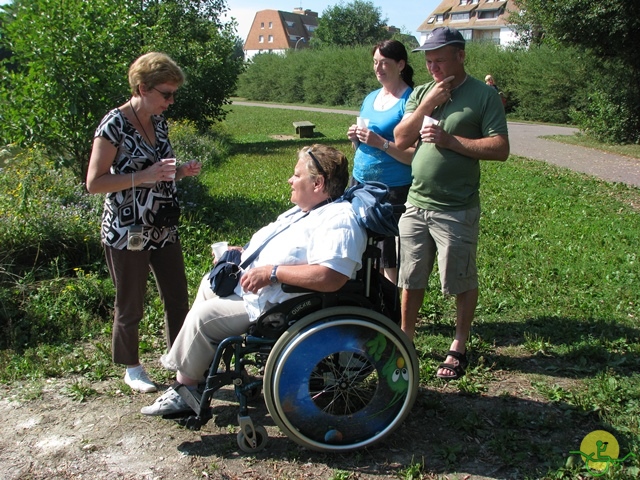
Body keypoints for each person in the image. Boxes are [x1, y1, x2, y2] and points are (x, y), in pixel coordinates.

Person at [141, 144, 368, 415]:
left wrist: (272, 272)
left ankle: (184, 389)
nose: (290, 180)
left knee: (205, 317)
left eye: (297, 175)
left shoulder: (338, 220)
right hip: (259, 292)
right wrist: (242, 254)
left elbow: (330, 277)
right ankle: (198, 374)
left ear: (317, 183)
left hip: (280, 305)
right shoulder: (305, 211)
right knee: (208, 286)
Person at [393, 27, 509, 380]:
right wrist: (428, 104)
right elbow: (400, 138)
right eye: (428, 62)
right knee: (410, 277)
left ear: (461, 56)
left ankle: (459, 343)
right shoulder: (423, 93)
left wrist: (450, 140)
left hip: (456, 207)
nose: (433, 68)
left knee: (458, 277)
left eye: (440, 60)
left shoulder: (483, 95)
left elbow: (500, 149)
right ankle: (405, 339)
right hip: (416, 203)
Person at [86, 52, 202, 393]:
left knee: (177, 296)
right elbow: (94, 183)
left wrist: (179, 172)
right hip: (128, 230)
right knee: (131, 300)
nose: (171, 101)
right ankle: (131, 366)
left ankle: (182, 359)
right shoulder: (113, 125)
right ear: (141, 88)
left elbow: (159, 172)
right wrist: (144, 176)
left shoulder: (159, 121)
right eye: (166, 93)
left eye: (173, 94)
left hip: (162, 223)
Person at [347, 39, 416, 282]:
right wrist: (356, 138)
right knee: (359, 243)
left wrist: (381, 143)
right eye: (375, 62)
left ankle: (389, 306)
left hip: (392, 189)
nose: (378, 68)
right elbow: (366, 142)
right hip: (359, 182)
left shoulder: (410, 101)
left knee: (389, 253)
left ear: (400, 64)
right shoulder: (370, 98)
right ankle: (367, 298)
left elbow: (414, 156)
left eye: (384, 63)